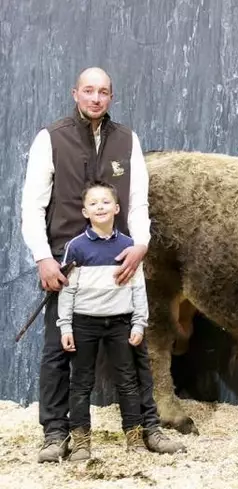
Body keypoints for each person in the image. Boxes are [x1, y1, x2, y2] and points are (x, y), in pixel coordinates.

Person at [21, 67, 185, 462]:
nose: (96, 98)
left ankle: (147, 428)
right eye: (89, 91)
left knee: (135, 351)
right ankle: (56, 434)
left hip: (118, 267)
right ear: (75, 93)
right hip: (68, 267)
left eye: (104, 92)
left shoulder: (127, 140)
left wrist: (141, 246)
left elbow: (139, 203)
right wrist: (44, 257)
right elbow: (32, 205)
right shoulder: (50, 138)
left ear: (111, 97)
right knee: (57, 352)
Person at [59, 181, 151, 461]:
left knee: (127, 381)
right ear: (85, 211)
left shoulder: (129, 247)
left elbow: (138, 287)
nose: (100, 207)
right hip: (84, 323)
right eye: (93, 203)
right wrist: (66, 325)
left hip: (120, 323)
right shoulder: (76, 247)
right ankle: (81, 442)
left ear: (117, 208)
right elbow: (68, 289)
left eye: (106, 202)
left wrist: (139, 323)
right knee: (81, 383)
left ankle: (134, 438)